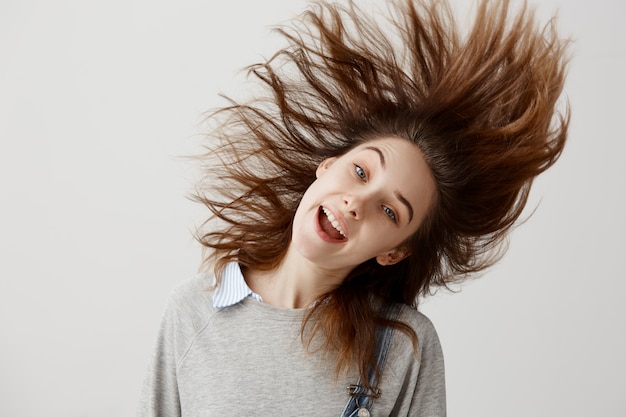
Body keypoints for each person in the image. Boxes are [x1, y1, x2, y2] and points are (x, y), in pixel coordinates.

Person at [137, 0, 569, 415]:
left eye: (390, 211)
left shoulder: (403, 347)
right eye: (361, 173)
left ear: (395, 251)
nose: (357, 202)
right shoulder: (193, 310)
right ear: (326, 168)